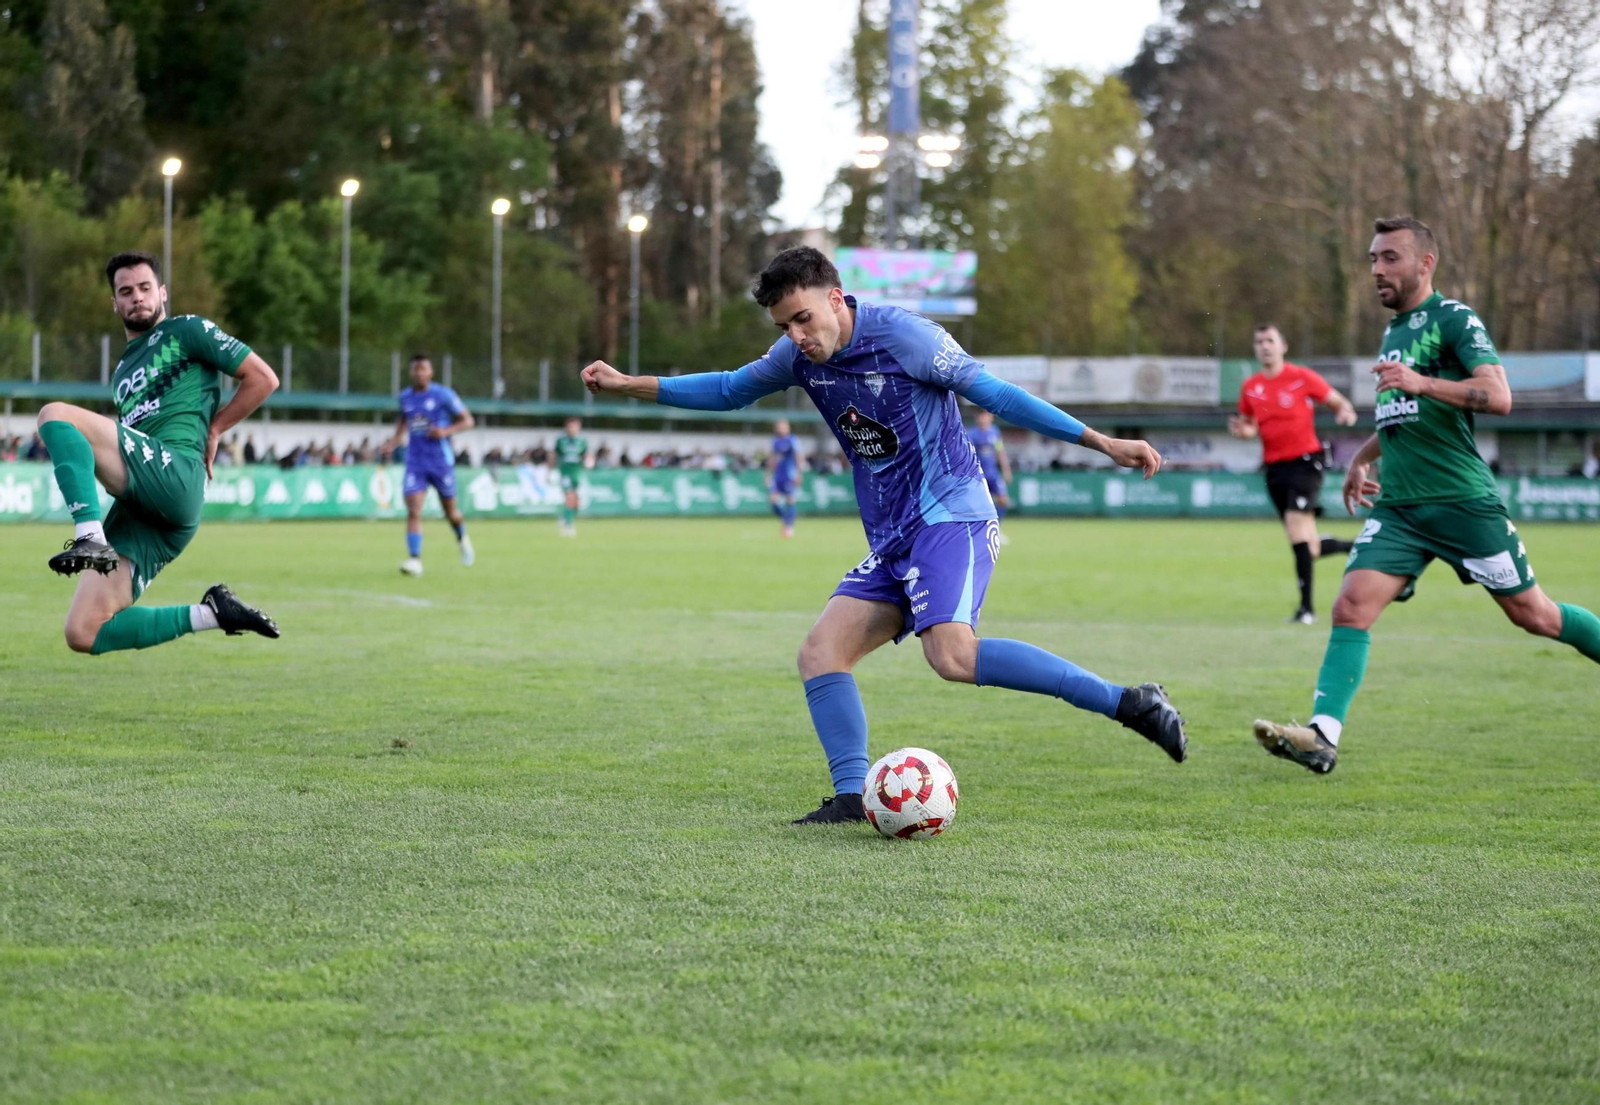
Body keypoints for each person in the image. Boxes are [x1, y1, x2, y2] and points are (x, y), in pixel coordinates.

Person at [582, 246, 1188, 825]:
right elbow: (726, 389)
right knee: (821, 655)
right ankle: (850, 797)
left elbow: (998, 396)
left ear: (837, 299)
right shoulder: (795, 356)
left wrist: (1102, 443)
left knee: (951, 655)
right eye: (784, 325)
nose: (796, 336)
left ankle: (1128, 702)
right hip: (894, 537)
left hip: (953, 515)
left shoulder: (908, 338)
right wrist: (629, 384)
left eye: (803, 319)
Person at [1254, 216, 1600, 774]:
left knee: (1535, 616)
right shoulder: (1395, 332)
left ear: (1425, 263)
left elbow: (1498, 396)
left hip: (1461, 503)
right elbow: (1402, 414)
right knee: (1350, 606)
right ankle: (1322, 736)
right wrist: (1361, 461)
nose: (1376, 270)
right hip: (1401, 509)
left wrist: (1424, 382)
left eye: (1389, 257)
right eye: (1372, 259)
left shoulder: (1455, 318)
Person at [35, 250, 280, 654]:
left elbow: (262, 378)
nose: (137, 297)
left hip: (177, 473)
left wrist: (216, 428)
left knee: (55, 415)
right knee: (83, 632)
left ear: (162, 292)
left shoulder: (186, 330)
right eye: (126, 291)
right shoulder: (122, 372)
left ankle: (89, 535)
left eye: (145, 288)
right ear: (114, 303)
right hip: (148, 504)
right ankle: (214, 613)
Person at [1228, 323, 1359, 623]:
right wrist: (1243, 432)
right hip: (1274, 469)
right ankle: (1356, 546)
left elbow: (1339, 401)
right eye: (1259, 341)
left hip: (1305, 462)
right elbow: (1249, 426)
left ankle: (1306, 610)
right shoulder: (1251, 387)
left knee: (1296, 529)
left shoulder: (1301, 377)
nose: (1265, 346)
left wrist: (1345, 412)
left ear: (1283, 345)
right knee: (1307, 546)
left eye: (1270, 340)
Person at [384, 354, 474, 577]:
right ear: (411, 372)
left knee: (451, 512)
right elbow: (404, 420)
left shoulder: (443, 394)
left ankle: (462, 537)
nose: (419, 373)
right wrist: (393, 442)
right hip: (415, 462)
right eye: (415, 369)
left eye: (423, 369)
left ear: (431, 372)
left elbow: (468, 420)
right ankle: (415, 559)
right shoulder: (405, 397)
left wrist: (445, 431)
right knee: (414, 509)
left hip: (441, 462)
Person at [967, 410, 1013, 543]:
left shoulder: (994, 432)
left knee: (1003, 500)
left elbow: (1000, 451)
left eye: (986, 415)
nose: (984, 418)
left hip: (992, 473)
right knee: (976, 505)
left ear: (991, 417)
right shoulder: (972, 434)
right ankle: (978, 533)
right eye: (981, 415)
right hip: (978, 475)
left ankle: (996, 530)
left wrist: (1006, 469)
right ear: (977, 417)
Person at [767, 418, 803, 538]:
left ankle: (789, 526)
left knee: (790, 500)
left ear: (788, 428)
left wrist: (798, 474)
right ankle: (786, 521)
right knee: (773, 500)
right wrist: (768, 474)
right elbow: (772, 459)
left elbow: (798, 457)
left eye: (783, 427)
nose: (781, 429)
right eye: (779, 427)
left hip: (789, 475)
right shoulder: (776, 441)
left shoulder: (793, 440)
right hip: (778, 476)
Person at [553, 417, 589, 536]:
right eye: (570, 426)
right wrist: (549, 471)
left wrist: (589, 461)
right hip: (566, 473)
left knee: (577, 503)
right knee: (570, 497)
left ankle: (564, 517)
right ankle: (568, 526)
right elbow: (554, 455)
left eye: (575, 426)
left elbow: (587, 455)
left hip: (577, 473)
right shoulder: (561, 441)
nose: (572, 429)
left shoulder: (582, 441)